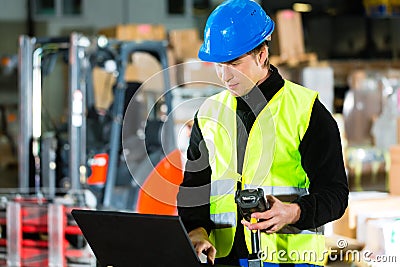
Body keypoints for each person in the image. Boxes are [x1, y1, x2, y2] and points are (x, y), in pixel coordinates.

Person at [177, 0, 349, 266]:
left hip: (289, 259)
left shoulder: (306, 111)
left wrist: (293, 212)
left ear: (262, 54)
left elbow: (336, 195)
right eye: (218, 64)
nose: (224, 75)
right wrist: (196, 231)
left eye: (234, 63)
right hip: (223, 259)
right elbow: (193, 190)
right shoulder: (209, 114)